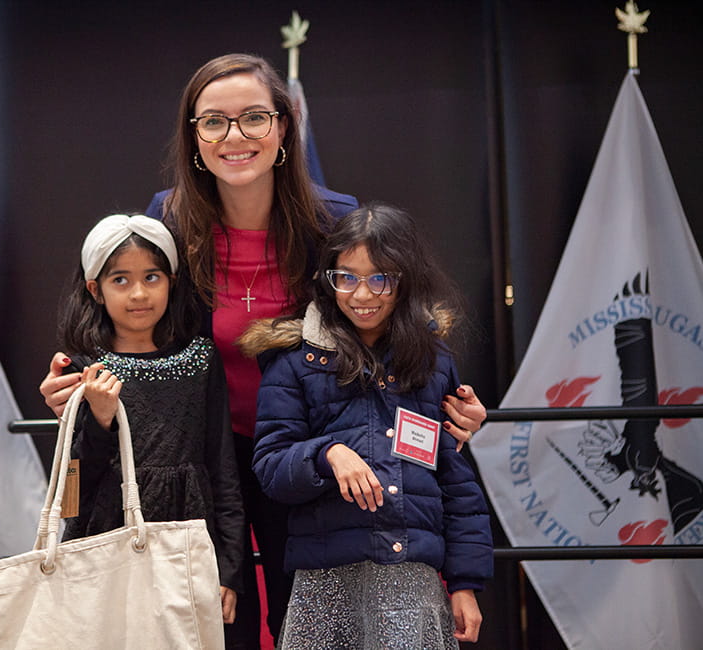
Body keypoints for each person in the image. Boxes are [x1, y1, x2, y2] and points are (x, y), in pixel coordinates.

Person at [40, 53, 488, 649]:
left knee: (301, 622)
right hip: (196, 458)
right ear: (193, 137)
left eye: (254, 117)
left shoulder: (335, 219)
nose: (235, 136)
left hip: (307, 450)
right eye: (214, 122)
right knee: (210, 626)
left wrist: (449, 406)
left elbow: (384, 330)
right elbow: (130, 334)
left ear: (283, 127)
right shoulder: (165, 220)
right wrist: (75, 390)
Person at [240, 202, 493, 649]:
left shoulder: (434, 363)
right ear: (328, 278)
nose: (362, 294)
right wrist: (327, 454)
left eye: (380, 278)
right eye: (347, 277)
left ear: (406, 281)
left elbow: (457, 484)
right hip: (324, 583)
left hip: (412, 582)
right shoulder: (294, 363)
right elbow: (271, 468)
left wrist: (465, 583)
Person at [56, 213, 245, 633]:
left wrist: (230, 568)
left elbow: (223, 469)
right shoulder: (83, 367)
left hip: (188, 539)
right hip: (107, 541)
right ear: (95, 290)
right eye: (120, 280)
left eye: (152, 277)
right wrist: (100, 422)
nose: (138, 293)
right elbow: (72, 494)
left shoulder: (200, 360)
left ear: (172, 280)